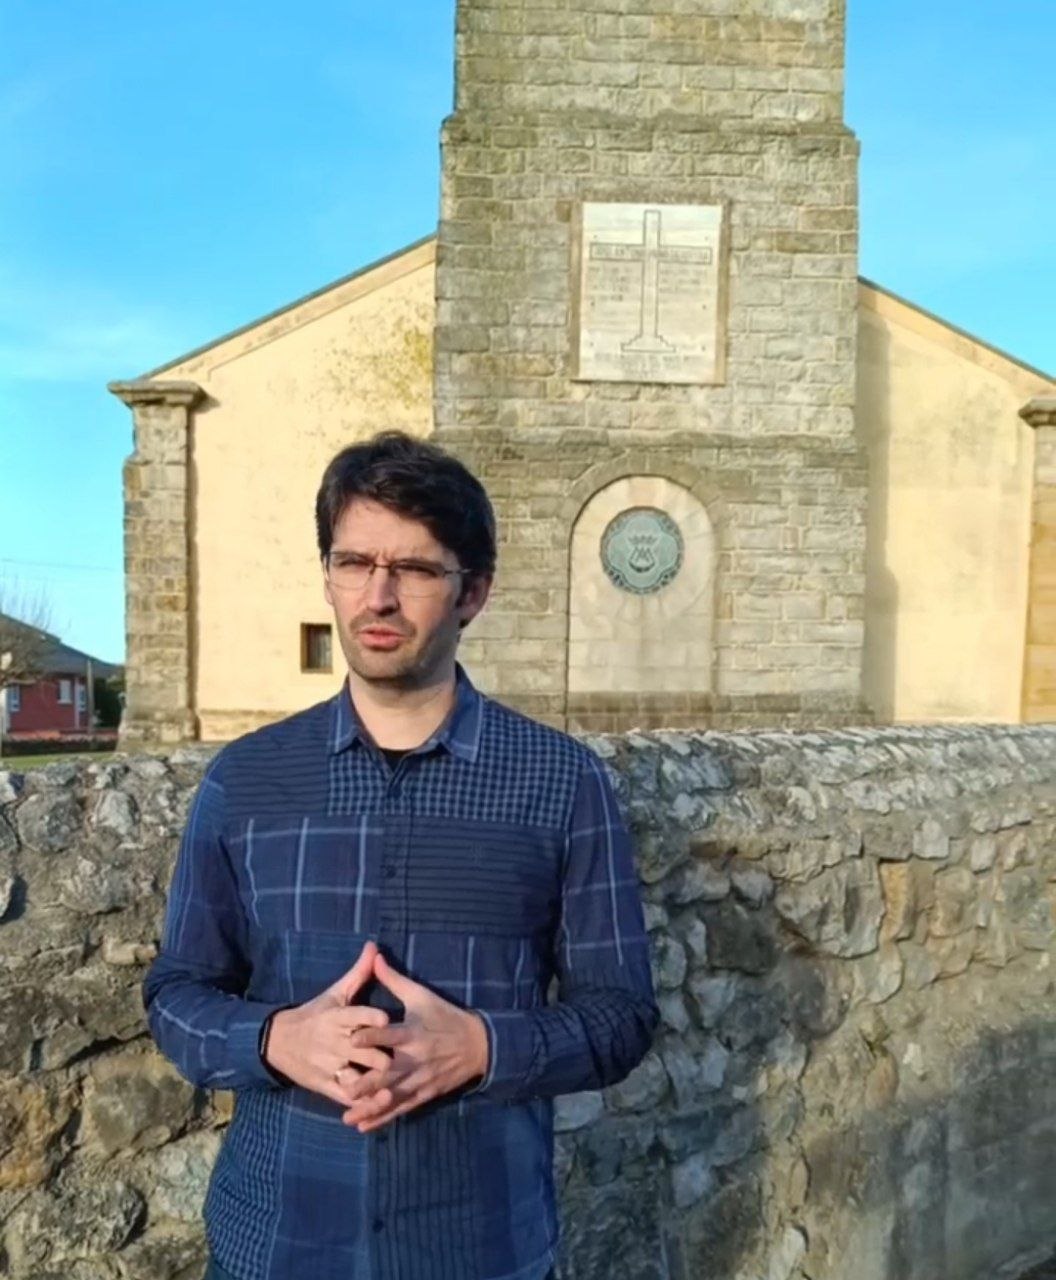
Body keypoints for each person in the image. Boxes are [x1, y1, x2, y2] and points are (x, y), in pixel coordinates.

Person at [144, 431, 659, 1280]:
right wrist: (273, 1037)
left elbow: (622, 1016)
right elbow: (175, 992)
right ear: (328, 576)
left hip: (481, 1249)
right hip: (274, 1246)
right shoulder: (246, 780)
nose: (377, 596)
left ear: (473, 592)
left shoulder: (561, 782)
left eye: (415, 569)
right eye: (354, 563)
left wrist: (484, 1048)